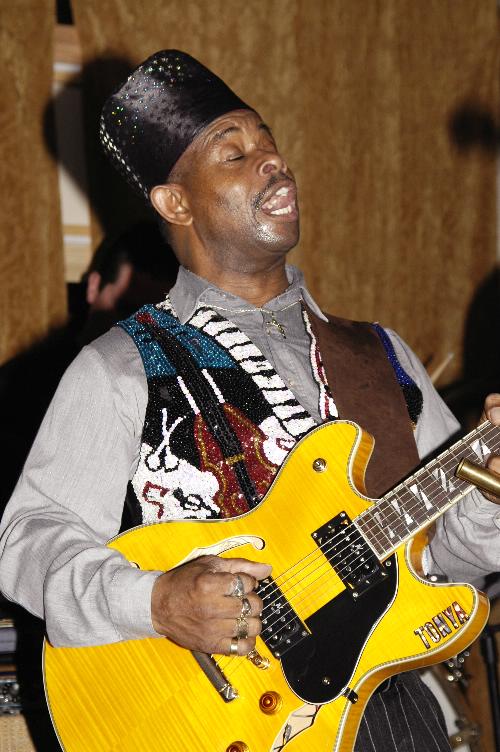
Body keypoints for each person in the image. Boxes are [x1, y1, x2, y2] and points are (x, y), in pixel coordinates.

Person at [0, 50, 499, 752]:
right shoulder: (119, 367)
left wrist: (487, 497)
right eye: (234, 153)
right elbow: (28, 541)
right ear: (176, 203)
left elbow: (444, 564)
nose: (273, 161)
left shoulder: (381, 355)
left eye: (269, 142)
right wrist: (157, 601)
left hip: (389, 717)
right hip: (212, 724)